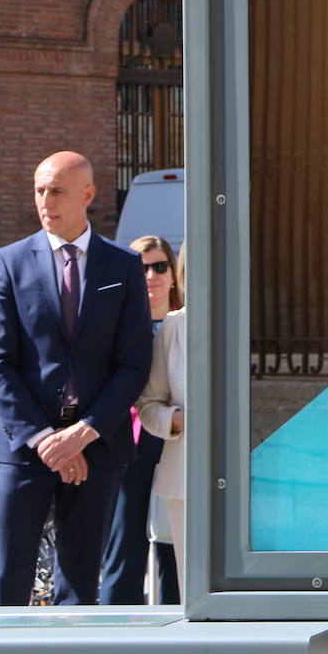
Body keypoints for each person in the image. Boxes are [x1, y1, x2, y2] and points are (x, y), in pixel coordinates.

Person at [0, 151, 152, 606]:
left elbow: (133, 363)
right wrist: (46, 440)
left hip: (97, 447)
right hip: (22, 449)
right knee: (4, 582)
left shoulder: (123, 265)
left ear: (88, 195)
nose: (44, 200)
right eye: (39, 190)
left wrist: (83, 433)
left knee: (79, 586)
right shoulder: (8, 262)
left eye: (56, 190)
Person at [99, 234, 182, 606]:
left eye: (160, 266)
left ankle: (177, 619)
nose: (151, 275)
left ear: (173, 273)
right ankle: (117, 628)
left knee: (173, 540)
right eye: (142, 267)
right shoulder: (116, 320)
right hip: (129, 439)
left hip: (178, 439)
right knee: (126, 537)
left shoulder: (186, 322)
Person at [137, 241, 189, 595]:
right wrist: (177, 420)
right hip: (186, 476)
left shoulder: (252, 322)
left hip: (255, 475)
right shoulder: (175, 326)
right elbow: (148, 404)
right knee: (193, 591)